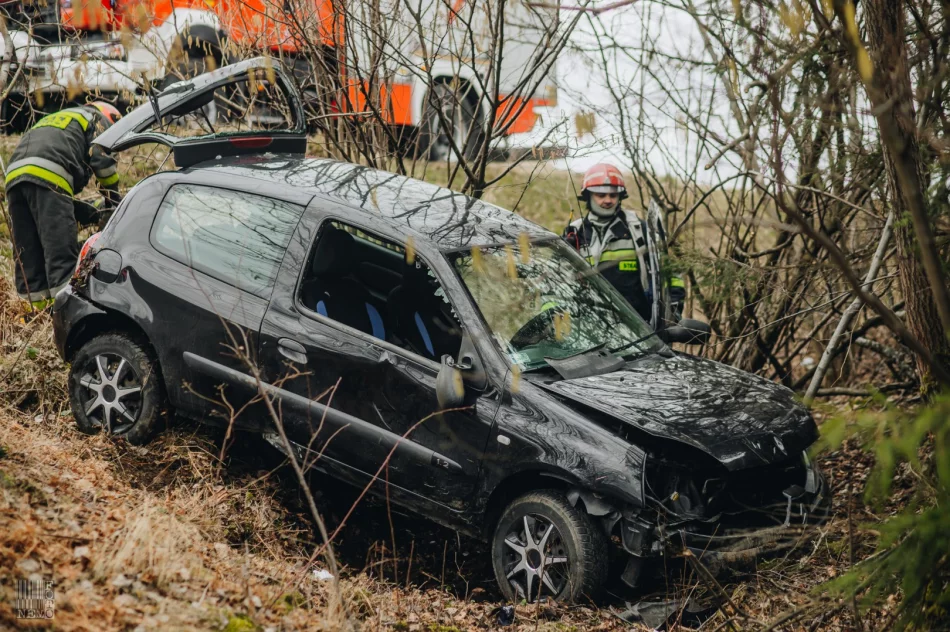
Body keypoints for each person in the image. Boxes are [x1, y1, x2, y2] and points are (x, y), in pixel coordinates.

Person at [5, 101, 123, 310]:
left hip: (14, 177)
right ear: (111, 117)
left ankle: (34, 316)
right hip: (51, 175)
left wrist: (92, 211)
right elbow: (102, 160)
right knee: (59, 252)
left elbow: (59, 203)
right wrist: (114, 199)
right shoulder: (98, 119)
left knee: (28, 256)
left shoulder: (61, 118)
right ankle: (66, 313)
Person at [563, 162, 685, 323]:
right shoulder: (574, 233)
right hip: (588, 327)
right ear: (588, 196)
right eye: (601, 195)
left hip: (637, 328)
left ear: (620, 197)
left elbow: (671, 272)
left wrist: (673, 310)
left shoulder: (640, 230)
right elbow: (559, 279)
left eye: (613, 195)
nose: (608, 200)